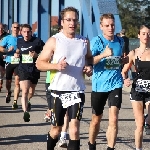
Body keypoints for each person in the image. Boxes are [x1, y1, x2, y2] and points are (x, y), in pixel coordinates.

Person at [36, 6, 93, 150]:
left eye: (74, 20)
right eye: (68, 20)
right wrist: (56, 66)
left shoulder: (84, 41)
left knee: (74, 129)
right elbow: (39, 63)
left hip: (77, 90)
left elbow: (89, 58)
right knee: (56, 129)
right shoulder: (54, 40)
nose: (72, 23)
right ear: (62, 22)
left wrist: (89, 67)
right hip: (57, 91)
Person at [88, 13, 124, 150]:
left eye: (112, 25)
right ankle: (92, 144)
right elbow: (88, 61)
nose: (110, 28)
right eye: (107, 25)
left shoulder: (120, 41)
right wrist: (103, 54)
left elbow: (118, 60)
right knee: (96, 119)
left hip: (116, 84)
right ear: (101, 26)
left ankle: (110, 148)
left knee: (114, 118)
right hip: (99, 86)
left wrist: (123, 61)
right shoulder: (97, 41)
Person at [122, 24, 150, 149]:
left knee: (148, 119)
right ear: (139, 35)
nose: (146, 36)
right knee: (139, 125)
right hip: (137, 91)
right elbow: (124, 71)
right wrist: (126, 79)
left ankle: (148, 120)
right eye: (143, 33)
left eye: (148, 33)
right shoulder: (133, 53)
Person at [14, 24, 44, 122]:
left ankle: (29, 101)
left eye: (28, 32)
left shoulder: (37, 41)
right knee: (25, 91)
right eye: (24, 32)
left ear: (31, 32)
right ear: (21, 32)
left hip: (34, 68)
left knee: (31, 91)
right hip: (23, 68)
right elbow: (18, 50)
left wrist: (37, 55)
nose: (26, 34)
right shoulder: (19, 41)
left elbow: (47, 52)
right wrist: (17, 54)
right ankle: (25, 112)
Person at [0, 22, 20, 108]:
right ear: (12, 28)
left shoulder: (22, 38)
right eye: (14, 27)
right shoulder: (7, 38)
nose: (16, 29)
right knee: (8, 82)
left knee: (17, 83)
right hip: (9, 61)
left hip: (19, 62)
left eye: (18, 27)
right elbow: (0, 48)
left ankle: (15, 101)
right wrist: (7, 50)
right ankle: (8, 92)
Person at [0, 23, 9, 92]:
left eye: (1, 28)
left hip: (3, 54)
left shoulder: (7, 36)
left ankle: (1, 80)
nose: (0, 29)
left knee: (2, 70)